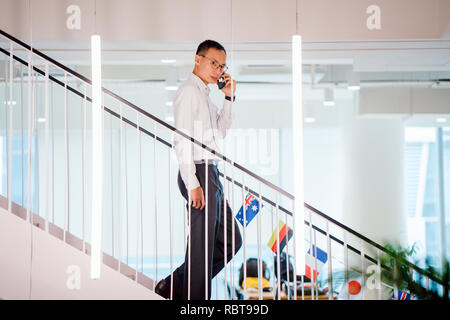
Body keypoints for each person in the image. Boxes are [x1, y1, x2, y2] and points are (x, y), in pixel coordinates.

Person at [155, 40, 242, 300]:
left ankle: (172, 286)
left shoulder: (204, 94)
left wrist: (228, 97)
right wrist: (192, 182)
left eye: (222, 66)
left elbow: (222, 130)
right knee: (201, 248)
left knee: (231, 241)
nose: (217, 70)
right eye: (214, 63)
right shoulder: (189, 92)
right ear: (198, 59)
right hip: (199, 172)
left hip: (210, 173)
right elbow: (181, 138)